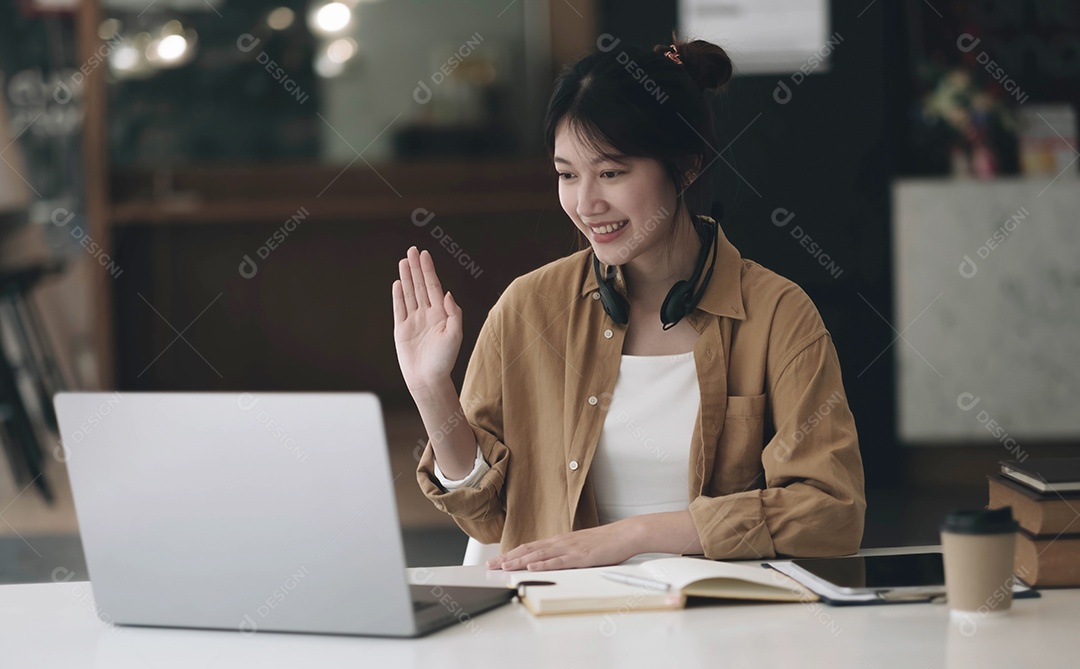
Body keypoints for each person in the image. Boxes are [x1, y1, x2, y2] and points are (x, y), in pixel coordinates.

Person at [392, 35, 865, 572]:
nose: (586, 203)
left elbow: (831, 512)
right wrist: (432, 392)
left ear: (685, 166)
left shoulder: (779, 314)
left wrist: (637, 535)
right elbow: (486, 518)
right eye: (567, 174)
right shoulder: (529, 307)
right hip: (556, 627)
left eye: (611, 173)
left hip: (720, 625)